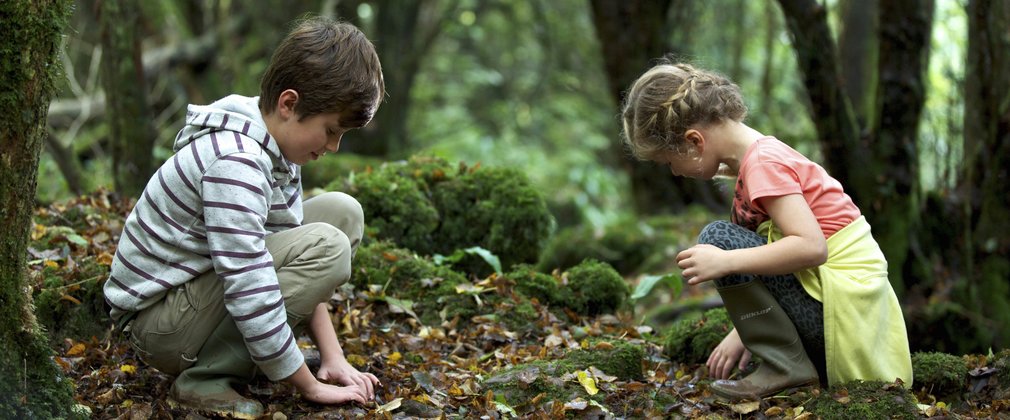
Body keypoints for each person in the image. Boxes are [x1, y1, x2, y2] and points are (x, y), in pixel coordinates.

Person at [103, 16, 384, 418]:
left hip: (196, 294)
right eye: (330, 130)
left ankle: (248, 353)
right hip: (160, 323)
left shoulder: (275, 146)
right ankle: (204, 379)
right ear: (289, 104)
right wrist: (307, 385)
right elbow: (248, 277)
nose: (334, 147)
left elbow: (292, 243)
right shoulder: (236, 161)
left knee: (343, 214)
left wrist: (332, 358)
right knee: (329, 246)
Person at [620, 61, 912, 400]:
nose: (674, 172)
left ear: (694, 141)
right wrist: (742, 331)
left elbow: (812, 248)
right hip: (834, 316)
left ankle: (786, 366)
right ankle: (784, 362)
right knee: (726, 243)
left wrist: (726, 263)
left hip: (844, 323)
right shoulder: (755, 161)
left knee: (719, 240)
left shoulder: (763, 164)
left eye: (669, 161)